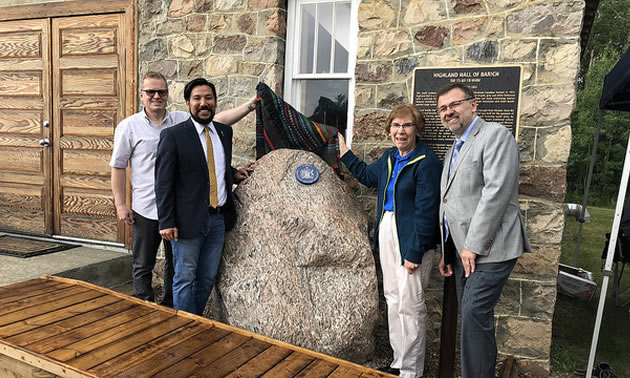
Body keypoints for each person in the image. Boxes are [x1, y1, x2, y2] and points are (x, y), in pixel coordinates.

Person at [110, 71, 256, 307]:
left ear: (169, 95)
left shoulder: (180, 120)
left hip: (185, 210)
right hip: (147, 207)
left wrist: (250, 106)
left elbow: (207, 155)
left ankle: (171, 309)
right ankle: (144, 307)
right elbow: (119, 167)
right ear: (141, 95)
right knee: (144, 264)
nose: (156, 96)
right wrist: (120, 204)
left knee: (176, 268)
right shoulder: (130, 127)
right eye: (151, 92)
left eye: (162, 91)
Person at [338, 104, 441, 378]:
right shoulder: (389, 157)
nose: (401, 131)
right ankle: (399, 362)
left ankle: (411, 371)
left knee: (410, 304)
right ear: (389, 130)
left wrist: (415, 252)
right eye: (396, 125)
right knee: (393, 298)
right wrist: (344, 152)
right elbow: (366, 176)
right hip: (388, 228)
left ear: (417, 129)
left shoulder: (427, 162)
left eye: (407, 125)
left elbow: (427, 213)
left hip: (411, 237)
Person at [437, 83, 531, 377]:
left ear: (473, 105)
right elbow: (450, 201)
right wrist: (447, 250)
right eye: (442, 108)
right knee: (474, 315)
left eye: (455, 104)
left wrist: (472, 246)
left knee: (474, 313)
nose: (449, 111)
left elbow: (496, 194)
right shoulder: (455, 146)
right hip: (463, 251)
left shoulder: (495, 136)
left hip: (490, 248)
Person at [154, 77, 252, 316]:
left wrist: (233, 174)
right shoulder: (173, 136)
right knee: (184, 278)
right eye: (197, 98)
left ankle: (194, 321)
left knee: (207, 278)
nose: (203, 103)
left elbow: (213, 165)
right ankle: (185, 329)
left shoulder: (224, 132)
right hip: (187, 223)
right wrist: (166, 221)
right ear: (188, 104)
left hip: (218, 220)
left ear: (215, 102)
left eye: (208, 98)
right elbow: (163, 182)